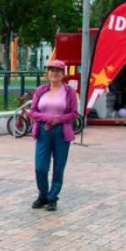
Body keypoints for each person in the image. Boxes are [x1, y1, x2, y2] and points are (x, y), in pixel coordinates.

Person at [29, 59, 79, 212]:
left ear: (63, 74)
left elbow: (74, 114)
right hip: (43, 131)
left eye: (57, 70)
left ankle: (52, 198)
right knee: (40, 168)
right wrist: (48, 119)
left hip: (61, 132)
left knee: (58, 167)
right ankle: (43, 195)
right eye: (51, 70)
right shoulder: (40, 90)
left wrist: (58, 120)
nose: (54, 73)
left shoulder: (69, 92)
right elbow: (33, 111)